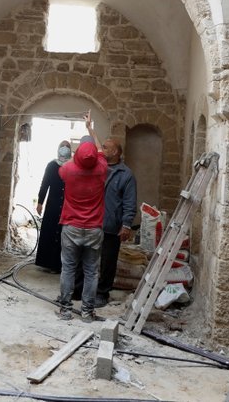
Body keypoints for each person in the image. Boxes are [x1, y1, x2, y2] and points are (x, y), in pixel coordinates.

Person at [56, 112, 108, 322]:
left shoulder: (67, 170)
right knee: (91, 272)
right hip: (94, 228)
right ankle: (87, 312)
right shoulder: (102, 169)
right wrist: (90, 129)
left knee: (68, 268)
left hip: (71, 226)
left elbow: (78, 157)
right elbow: (100, 150)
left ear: (77, 153)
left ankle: (66, 310)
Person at [95, 138, 137, 308]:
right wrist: (90, 128)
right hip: (92, 222)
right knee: (87, 258)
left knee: (108, 261)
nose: (101, 149)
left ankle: (102, 293)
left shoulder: (126, 175)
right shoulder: (98, 167)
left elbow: (129, 202)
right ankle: (81, 289)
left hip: (111, 225)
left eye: (105, 148)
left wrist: (126, 225)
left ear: (114, 152)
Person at [35, 140, 71, 273]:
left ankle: (58, 265)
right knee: (50, 231)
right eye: (63, 146)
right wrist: (40, 202)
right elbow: (45, 184)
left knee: (62, 235)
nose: (65, 148)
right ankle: (46, 262)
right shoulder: (52, 165)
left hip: (67, 205)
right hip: (53, 204)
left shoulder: (73, 166)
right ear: (58, 148)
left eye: (67, 146)